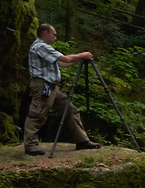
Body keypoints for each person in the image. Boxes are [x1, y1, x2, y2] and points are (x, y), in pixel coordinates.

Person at [23, 23, 101, 155]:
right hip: (43, 85)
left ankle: (82, 140)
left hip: (51, 86)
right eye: (54, 34)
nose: (55, 38)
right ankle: (30, 145)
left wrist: (79, 59)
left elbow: (62, 64)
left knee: (70, 110)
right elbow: (64, 58)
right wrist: (81, 55)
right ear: (45, 33)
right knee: (38, 113)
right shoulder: (40, 46)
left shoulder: (44, 49)